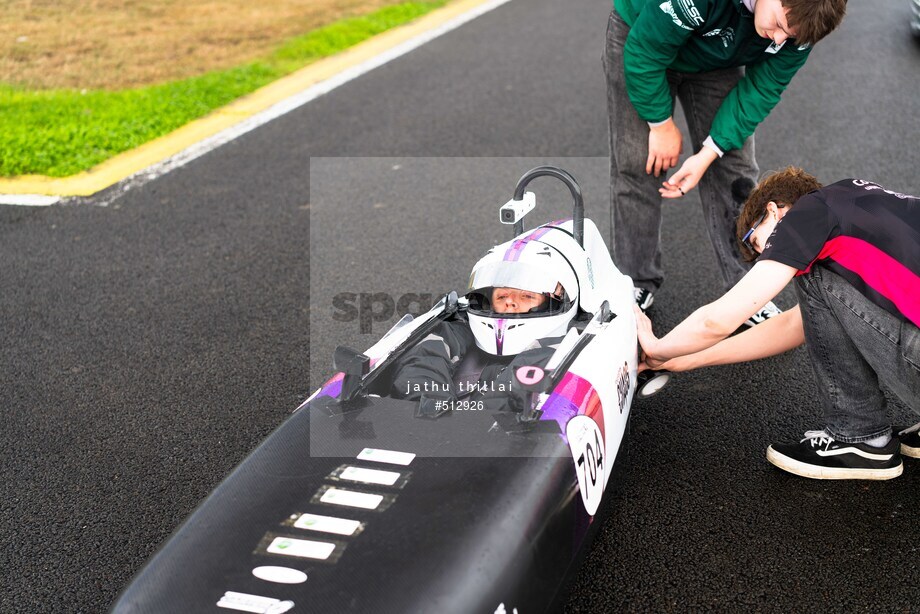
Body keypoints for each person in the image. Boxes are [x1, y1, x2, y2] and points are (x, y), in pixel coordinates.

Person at [634, 167, 920, 480]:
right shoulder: (858, 197)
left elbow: (717, 320)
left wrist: (657, 347)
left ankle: (861, 437)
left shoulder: (809, 213)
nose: (765, 258)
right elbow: (795, 326)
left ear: (773, 210)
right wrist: (684, 359)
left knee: (811, 274)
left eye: (756, 243)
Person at [603, 0, 846, 322]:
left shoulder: (800, 28)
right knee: (637, 164)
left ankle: (745, 292)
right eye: (778, 26)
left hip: (716, 57)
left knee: (735, 170)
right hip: (643, 39)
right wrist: (660, 125)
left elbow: (763, 88)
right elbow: (646, 52)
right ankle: (634, 279)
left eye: (789, 38)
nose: (776, 41)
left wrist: (708, 153)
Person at [391, 238, 581, 412]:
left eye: (527, 296)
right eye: (502, 296)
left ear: (554, 301)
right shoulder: (454, 328)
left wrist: (476, 420)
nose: (510, 302)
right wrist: (435, 408)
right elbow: (422, 361)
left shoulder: (562, 351)